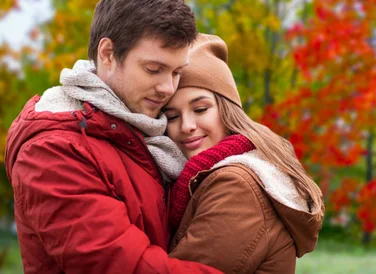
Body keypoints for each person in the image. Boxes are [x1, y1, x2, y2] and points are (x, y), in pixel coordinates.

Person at [4, 0, 221, 273]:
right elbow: (121, 265)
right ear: (107, 54)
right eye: (153, 69)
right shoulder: (52, 150)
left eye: (177, 72)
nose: (168, 88)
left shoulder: (150, 131)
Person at [163, 34, 325, 274]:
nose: (186, 125)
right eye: (172, 116)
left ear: (227, 110)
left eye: (200, 109)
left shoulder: (236, 186)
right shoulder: (206, 178)